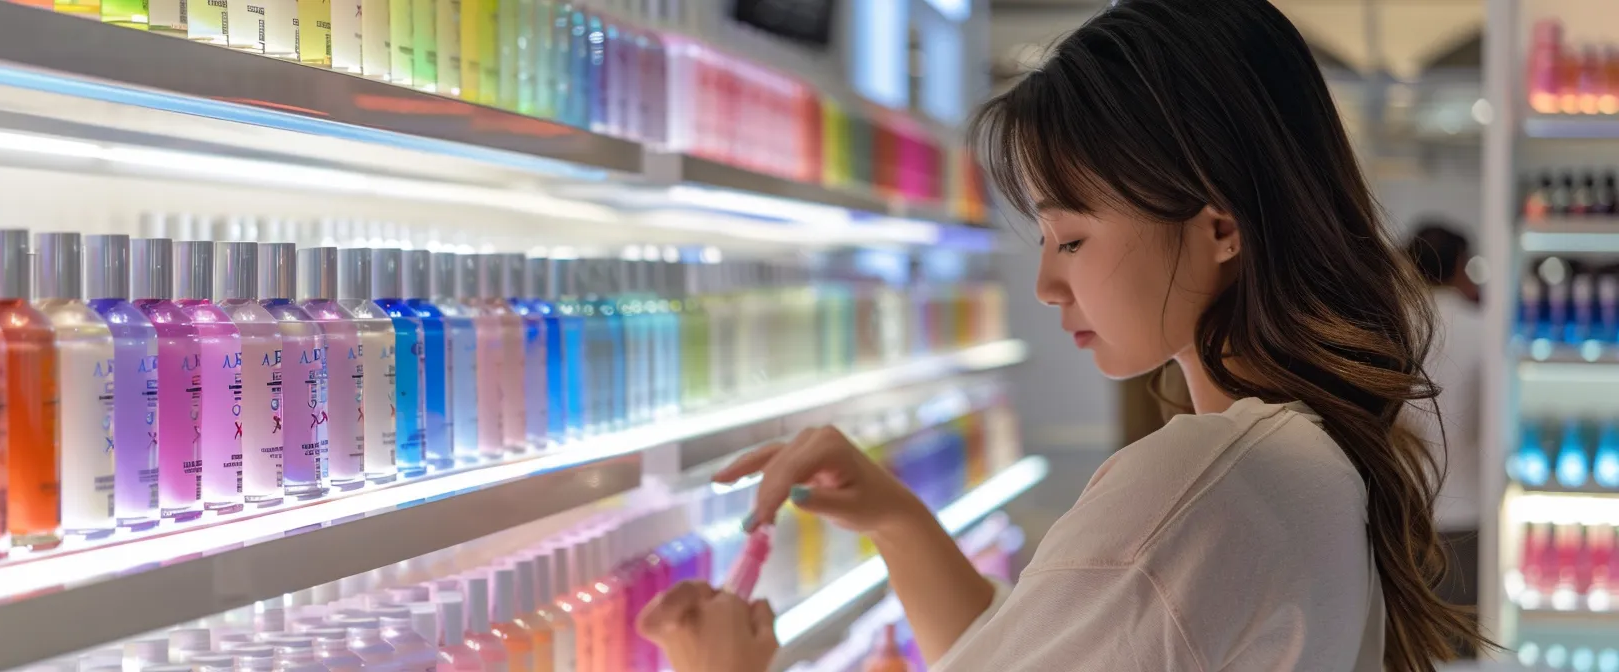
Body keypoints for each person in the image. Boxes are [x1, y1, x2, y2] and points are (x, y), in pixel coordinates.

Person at [636, 0, 1490, 670]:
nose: (1047, 285)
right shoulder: (1299, 451)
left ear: (1219, 228)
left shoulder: (1193, 488)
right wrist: (897, 518)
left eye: (1071, 240)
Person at [1403, 224, 1483, 614]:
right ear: (1460, 265)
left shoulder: (1392, 327)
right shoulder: (1483, 329)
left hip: (1403, 512)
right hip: (1469, 508)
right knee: (1462, 641)